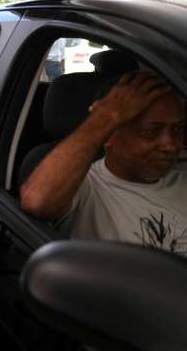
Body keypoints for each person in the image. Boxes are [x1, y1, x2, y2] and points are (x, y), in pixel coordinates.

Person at [21, 71, 187, 255]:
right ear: (109, 134)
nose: (171, 145)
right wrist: (104, 116)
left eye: (177, 129)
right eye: (152, 131)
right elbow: (37, 201)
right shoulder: (86, 187)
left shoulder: (182, 177)